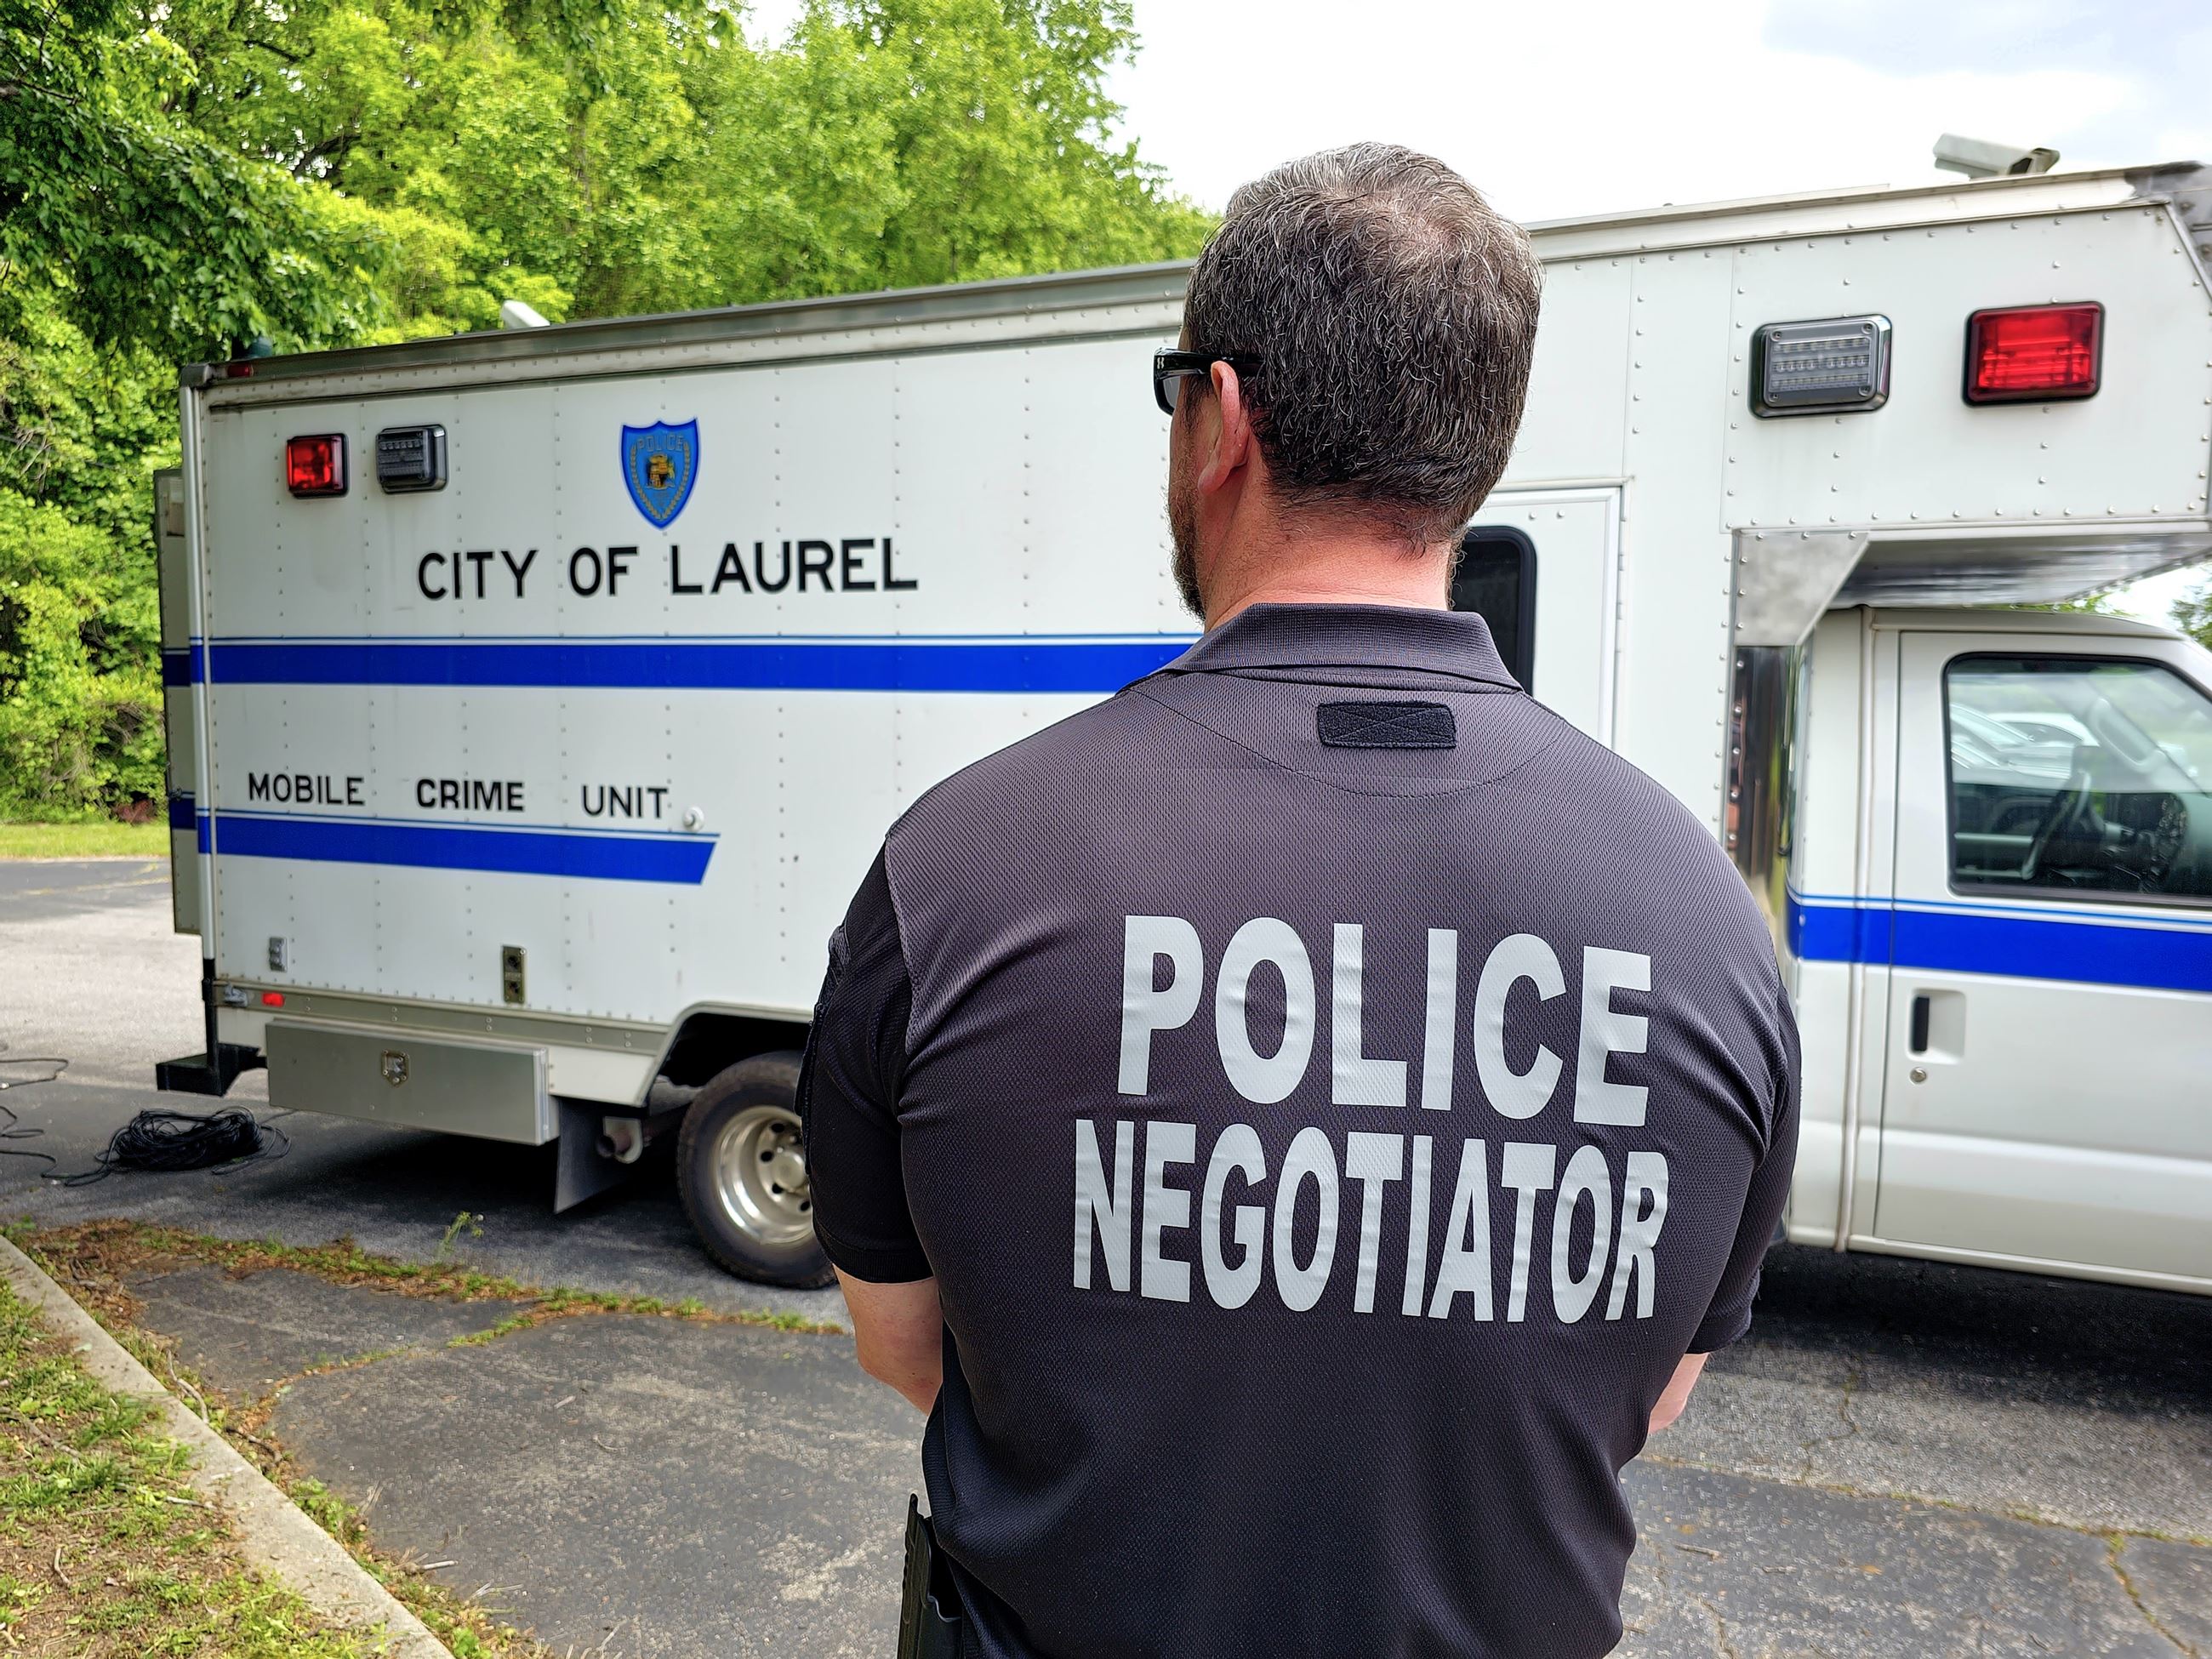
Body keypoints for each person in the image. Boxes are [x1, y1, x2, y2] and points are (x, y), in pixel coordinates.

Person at [798, 142, 1799, 1659]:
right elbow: (1641, 1392)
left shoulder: (954, 871)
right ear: (1477, 451)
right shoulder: (1711, 926)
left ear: (1226, 420)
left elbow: (909, 1347)